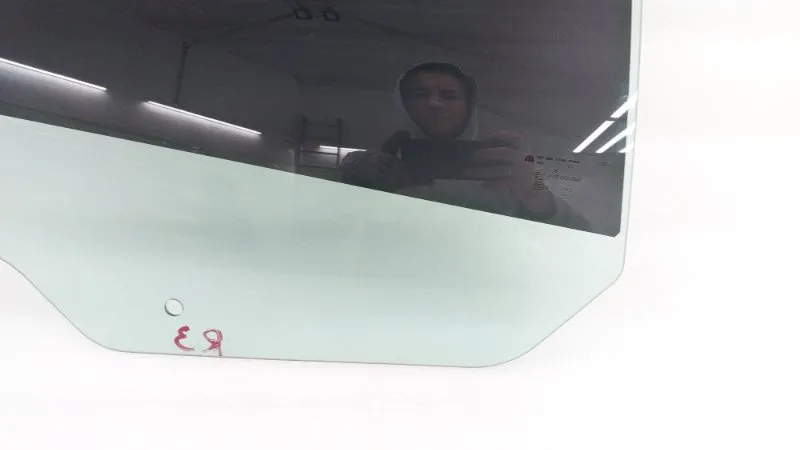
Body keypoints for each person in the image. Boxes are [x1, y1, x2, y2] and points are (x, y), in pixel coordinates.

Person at [339, 62, 591, 231]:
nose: (435, 103)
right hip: (390, 282)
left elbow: (581, 238)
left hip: (485, 287)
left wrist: (536, 193)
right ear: (403, 104)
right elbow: (339, 233)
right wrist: (357, 190)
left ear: (469, 107)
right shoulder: (374, 167)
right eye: (420, 94)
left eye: (449, 95)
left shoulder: (504, 165)